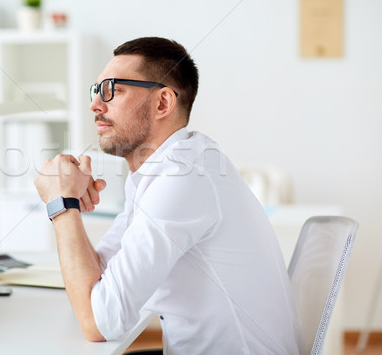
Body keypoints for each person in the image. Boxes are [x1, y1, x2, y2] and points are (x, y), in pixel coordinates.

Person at [33, 37, 303, 354]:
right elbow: (100, 278)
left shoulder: (185, 177)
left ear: (162, 103)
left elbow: (98, 322)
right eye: (96, 91)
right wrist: (70, 201)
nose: (95, 105)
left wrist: (62, 205)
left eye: (112, 90)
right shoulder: (162, 171)